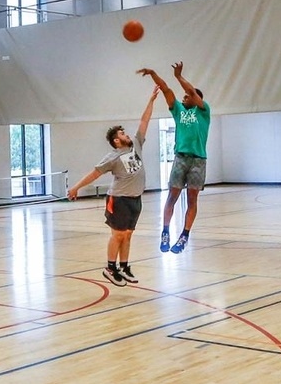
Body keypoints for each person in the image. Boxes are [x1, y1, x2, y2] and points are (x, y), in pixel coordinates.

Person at [67, 88, 160, 286]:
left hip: (136, 199)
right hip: (119, 200)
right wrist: (76, 188)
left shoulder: (136, 144)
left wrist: (151, 100)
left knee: (128, 235)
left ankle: (124, 267)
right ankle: (110, 268)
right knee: (117, 235)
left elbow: (144, 121)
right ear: (116, 141)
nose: (126, 134)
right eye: (122, 133)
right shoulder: (112, 158)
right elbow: (94, 173)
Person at [137, 62, 211, 254]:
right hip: (181, 158)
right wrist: (153, 73)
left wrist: (179, 77)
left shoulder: (203, 112)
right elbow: (167, 90)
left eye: (188, 96)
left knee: (192, 199)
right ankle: (165, 231)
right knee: (172, 196)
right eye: (184, 96)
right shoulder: (179, 110)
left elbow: (190, 91)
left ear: (197, 99)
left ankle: (184, 235)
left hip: (198, 160)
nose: (184, 97)